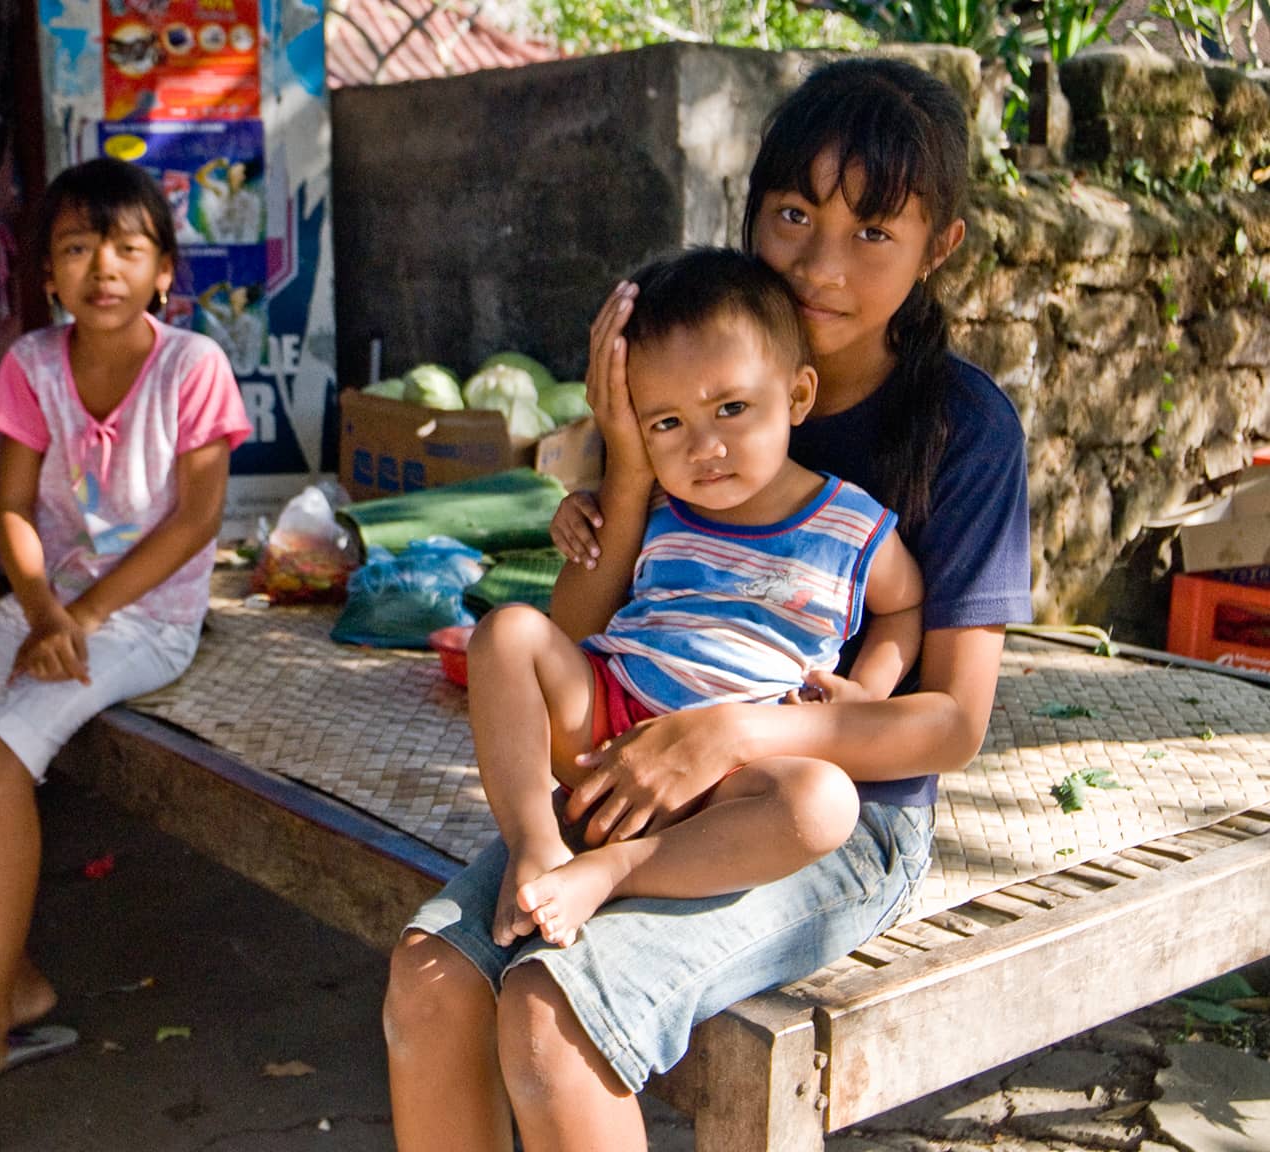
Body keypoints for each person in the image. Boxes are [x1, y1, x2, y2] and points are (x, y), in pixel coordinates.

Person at [383, 57, 1032, 1151]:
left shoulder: (962, 430)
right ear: (749, 211)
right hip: (640, 754)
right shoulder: (683, 388)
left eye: (874, 231)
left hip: (829, 810)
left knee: (552, 1018)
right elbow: (581, 633)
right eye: (791, 215)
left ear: (940, 248)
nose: (821, 264)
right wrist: (625, 463)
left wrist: (728, 732)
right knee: (432, 978)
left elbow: (951, 724)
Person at [0, 157, 251, 1084]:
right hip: (47, 605)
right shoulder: (33, 364)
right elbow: (10, 509)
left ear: (165, 271)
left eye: (127, 249)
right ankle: (22, 982)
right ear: (47, 274)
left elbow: (196, 520)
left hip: (147, 617)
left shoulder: (193, 365)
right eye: (77, 249)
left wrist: (77, 615)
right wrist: (43, 609)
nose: (102, 269)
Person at [473, 247, 923, 955]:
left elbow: (903, 606)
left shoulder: (853, 525)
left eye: (732, 408)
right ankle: (534, 843)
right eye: (667, 424)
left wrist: (867, 685)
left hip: (731, 772)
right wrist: (584, 513)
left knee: (823, 804)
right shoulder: (654, 501)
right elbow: (570, 625)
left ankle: (614, 870)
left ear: (799, 396)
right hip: (611, 725)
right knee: (506, 632)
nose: (705, 447)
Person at [195, 156, 264, 244]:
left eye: (236, 169)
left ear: (242, 177)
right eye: (232, 168)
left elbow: (252, 226)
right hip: (221, 242)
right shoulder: (221, 190)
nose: (232, 169)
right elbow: (200, 177)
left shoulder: (248, 199)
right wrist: (216, 163)